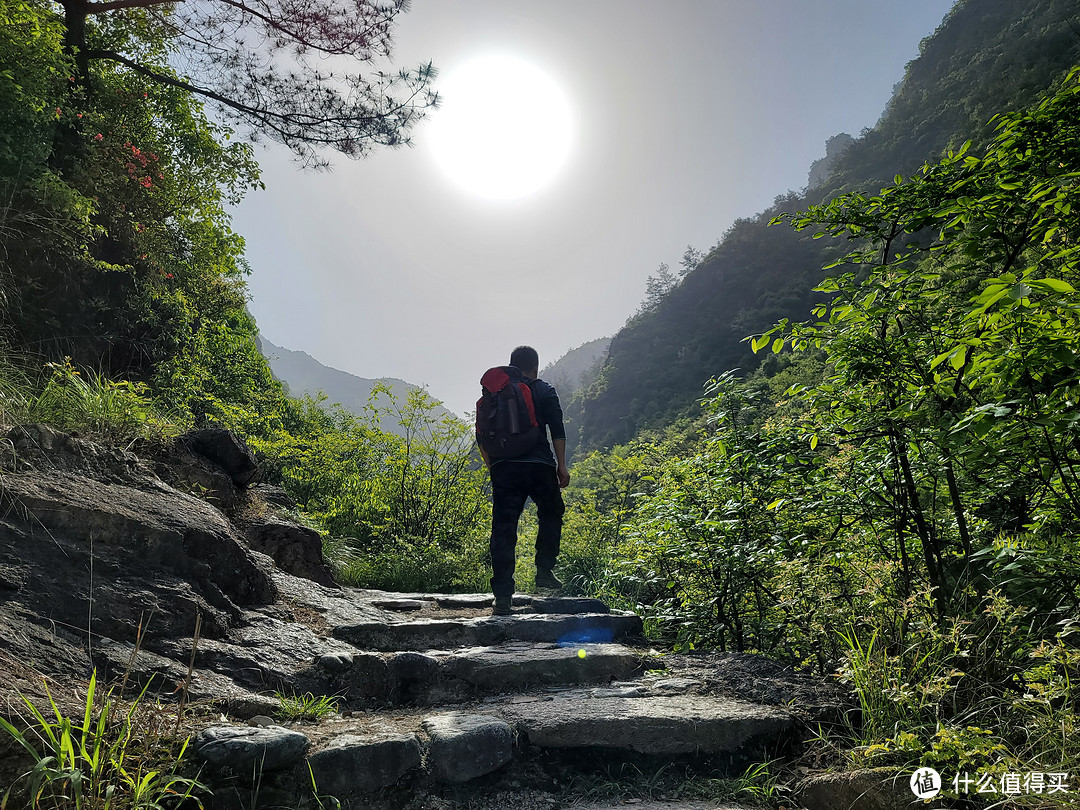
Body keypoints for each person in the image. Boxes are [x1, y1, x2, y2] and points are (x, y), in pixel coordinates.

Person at [477, 345, 570, 615]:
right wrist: (561, 466)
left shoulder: (495, 392)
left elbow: (481, 434)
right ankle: (544, 569)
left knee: (504, 528)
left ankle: (503, 595)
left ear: (513, 365)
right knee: (551, 512)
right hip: (539, 465)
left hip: (504, 468)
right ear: (535, 367)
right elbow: (557, 428)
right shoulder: (544, 390)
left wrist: (493, 467)